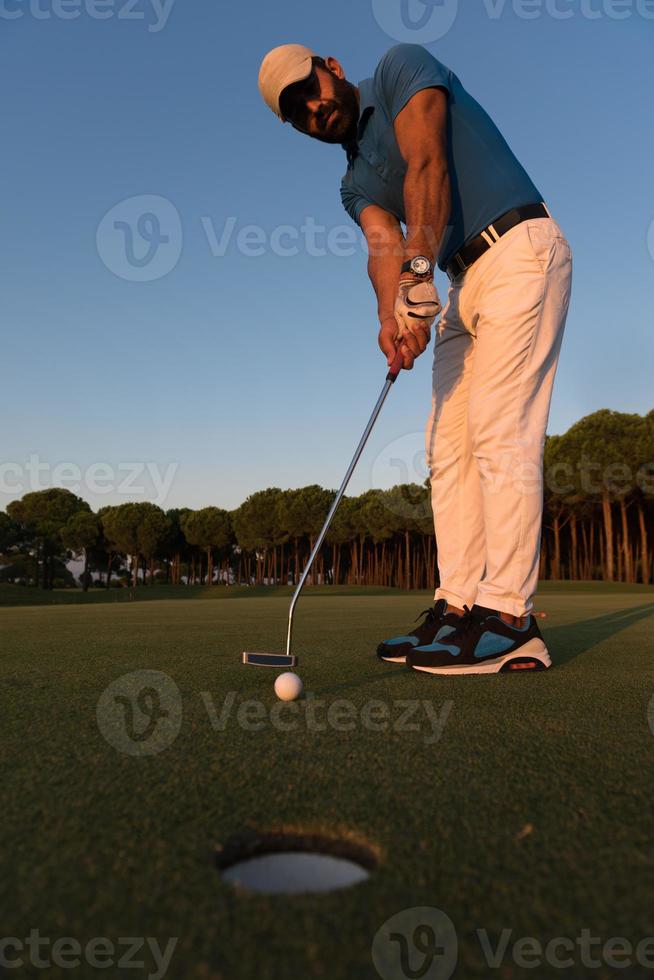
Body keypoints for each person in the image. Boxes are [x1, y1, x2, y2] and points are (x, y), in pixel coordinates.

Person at [258, 42, 572, 675]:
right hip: (460, 283)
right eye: (298, 112)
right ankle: (458, 609)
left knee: (499, 430)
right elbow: (383, 245)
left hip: (518, 247)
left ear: (332, 67)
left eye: (311, 88)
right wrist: (392, 319)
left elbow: (427, 164)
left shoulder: (401, 69)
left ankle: (511, 620)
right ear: (295, 127)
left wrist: (419, 273)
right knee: (447, 448)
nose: (316, 107)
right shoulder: (352, 184)